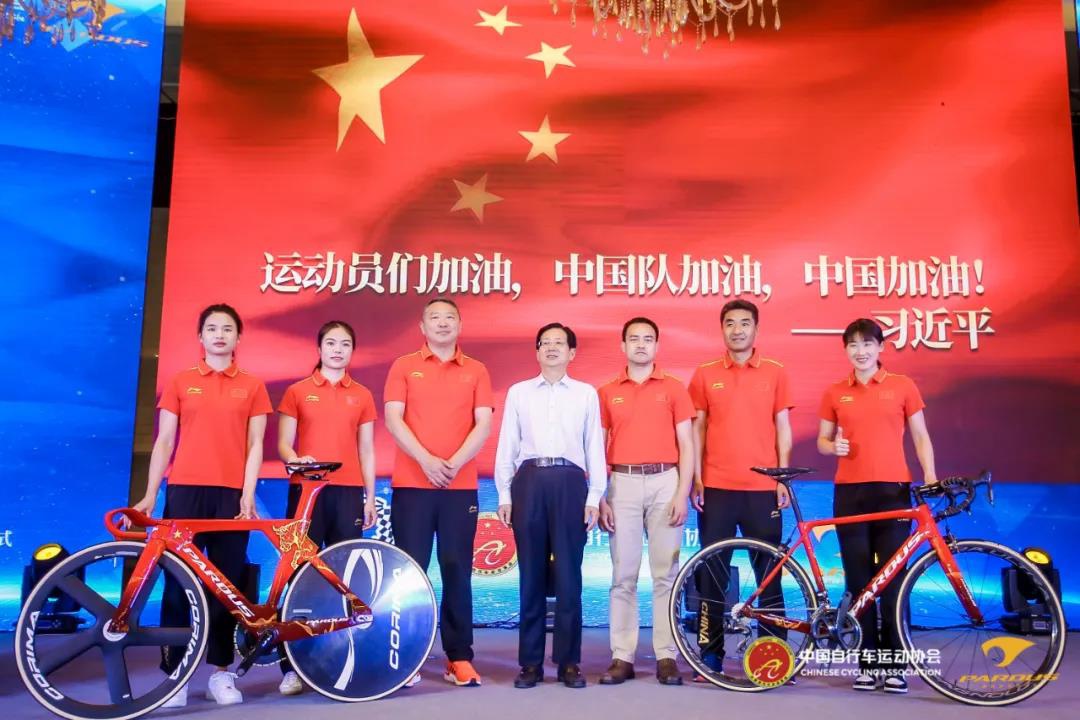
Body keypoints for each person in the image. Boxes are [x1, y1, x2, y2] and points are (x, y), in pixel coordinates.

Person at [131, 303, 271, 707]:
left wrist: (248, 493)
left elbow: (255, 445)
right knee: (179, 582)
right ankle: (175, 675)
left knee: (226, 585)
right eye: (212, 328)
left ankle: (221, 673)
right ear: (200, 336)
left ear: (238, 337)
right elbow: (164, 441)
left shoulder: (253, 386)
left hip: (230, 496)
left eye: (227, 328)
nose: (219, 335)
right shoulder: (181, 381)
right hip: (184, 492)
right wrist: (151, 492)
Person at [817, 318, 937, 694]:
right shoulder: (835, 392)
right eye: (853, 345)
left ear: (881, 347)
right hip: (849, 494)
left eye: (867, 343)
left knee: (893, 579)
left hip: (893, 492)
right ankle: (867, 664)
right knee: (859, 581)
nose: (861, 351)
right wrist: (831, 446)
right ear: (845, 350)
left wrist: (930, 476)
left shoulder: (903, 386)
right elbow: (822, 440)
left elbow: (920, 435)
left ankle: (895, 664)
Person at [383, 298, 493, 687]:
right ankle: (405, 655)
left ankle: (458, 657)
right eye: (435, 317)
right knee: (408, 572)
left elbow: (483, 424)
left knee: (457, 570)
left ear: (460, 325)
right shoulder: (404, 365)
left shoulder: (476, 370)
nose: (442, 323)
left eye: (449, 318)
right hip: (412, 486)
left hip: (458, 488)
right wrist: (426, 460)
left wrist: (453, 463)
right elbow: (393, 418)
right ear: (422, 326)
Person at [494, 323, 606, 689]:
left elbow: (594, 447)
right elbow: (507, 446)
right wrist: (505, 495)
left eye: (560, 343)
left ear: (572, 352)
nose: (552, 348)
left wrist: (594, 497)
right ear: (537, 351)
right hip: (529, 481)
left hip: (571, 482)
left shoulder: (586, 394)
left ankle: (569, 662)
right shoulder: (519, 392)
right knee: (531, 575)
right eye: (545, 343)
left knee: (570, 575)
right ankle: (530, 663)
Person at [687, 299, 794, 681]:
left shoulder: (776, 371)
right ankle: (710, 655)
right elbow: (698, 429)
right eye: (730, 323)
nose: (737, 330)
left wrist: (781, 477)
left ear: (756, 329)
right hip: (716, 487)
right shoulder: (705, 373)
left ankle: (775, 656)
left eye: (744, 323)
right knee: (712, 574)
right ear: (722, 329)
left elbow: (782, 427)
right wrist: (697, 478)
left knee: (769, 575)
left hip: (762, 489)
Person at [275, 320, 377, 696]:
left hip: (348, 493)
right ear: (319, 349)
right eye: (331, 343)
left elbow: (366, 450)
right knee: (297, 574)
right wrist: (297, 460)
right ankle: (292, 665)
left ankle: (341, 659)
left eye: (345, 344)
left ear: (352, 351)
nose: (337, 349)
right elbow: (283, 445)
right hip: (306, 491)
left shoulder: (362, 395)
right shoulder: (298, 391)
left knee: (344, 577)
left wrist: (369, 496)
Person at [597, 317, 694, 686]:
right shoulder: (607, 392)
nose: (641, 345)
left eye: (648, 339)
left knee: (665, 574)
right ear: (623, 346)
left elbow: (687, 445)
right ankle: (622, 656)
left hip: (665, 481)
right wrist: (600, 495)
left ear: (657, 345)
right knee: (623, 575)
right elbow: (597, 447)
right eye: (634, 339)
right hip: (621, 483)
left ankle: (667, 655)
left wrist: (682, 492)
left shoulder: (674, 388)